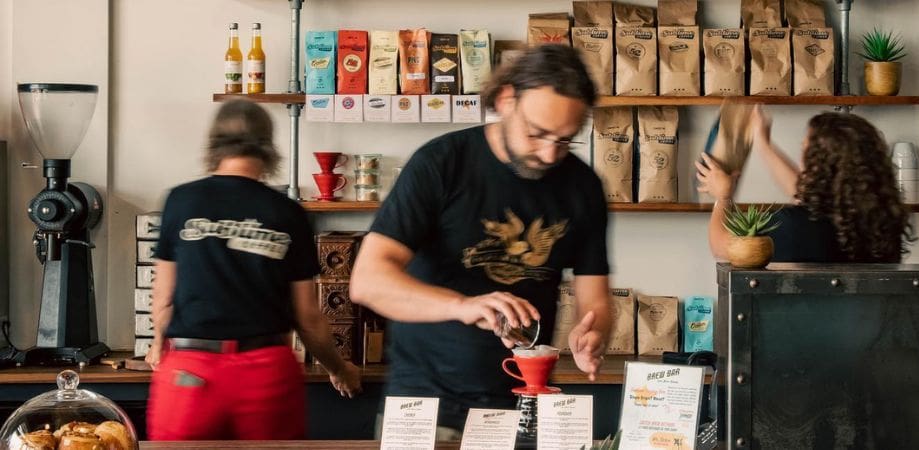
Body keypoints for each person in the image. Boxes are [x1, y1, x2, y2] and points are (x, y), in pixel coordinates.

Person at [349, 45, 613, 437]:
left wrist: (593, 334)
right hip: (424, 410)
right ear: (506, 100)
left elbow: (595, 301)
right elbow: (368, 282)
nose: (548, 154)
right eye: (536, 134)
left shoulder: (582, 187)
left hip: (522, 411)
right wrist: (462, 306)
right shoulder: (441, 164)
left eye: (564, 140)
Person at [145, 100, 362, 440]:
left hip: (191, 373)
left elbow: (163, 299)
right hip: (265, 374)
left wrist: (159, 345)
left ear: (214, 144)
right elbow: (307, 317)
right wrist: (339, 368)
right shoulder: (288, 212)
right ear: (268, 148)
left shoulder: (181, 201)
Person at [697, 106, 915, 263]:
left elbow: (722, 246)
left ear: (818, 166)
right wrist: (763, 144)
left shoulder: (794, 226)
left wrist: (723, 197)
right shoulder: (884, 224)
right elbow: (806, 193)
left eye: (804, 150)